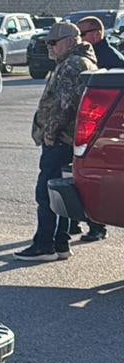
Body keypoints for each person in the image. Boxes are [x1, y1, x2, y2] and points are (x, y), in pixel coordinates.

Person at [19, 21, 97, 261]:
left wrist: (50, 134)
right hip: (69, 141)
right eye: (47, 43)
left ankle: (45, 244)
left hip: (61, 140)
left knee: (46, 193)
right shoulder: (76, 62)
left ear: (70, 41)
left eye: (53, 43)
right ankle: (60, 243)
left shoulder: (72, 64)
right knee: (60, 195)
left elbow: (64, 106)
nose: (50, 47)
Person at [72, 15, 117, 241]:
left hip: (102, 130)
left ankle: (98, 227)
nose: (79, 39)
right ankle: (75, 222)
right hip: (86, 124)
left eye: (83, 34)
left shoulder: (111, 60)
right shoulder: (87, 55)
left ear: (97, 34)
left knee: (95, 179)